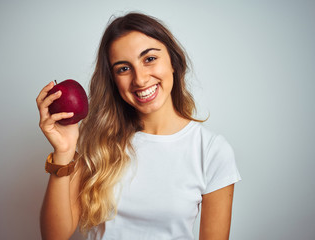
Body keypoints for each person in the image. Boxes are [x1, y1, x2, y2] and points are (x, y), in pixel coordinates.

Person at [36, 12, 241, 240]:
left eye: (149, 59)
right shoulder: (97, 141)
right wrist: (63, 152)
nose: (140, 79)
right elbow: (54, 237)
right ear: (113, 81)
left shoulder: (211, 150)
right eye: (123, 68)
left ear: (173, 61)